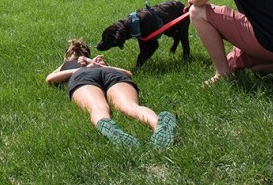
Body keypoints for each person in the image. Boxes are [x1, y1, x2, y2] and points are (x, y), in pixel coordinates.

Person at [45, 38, 176, 148]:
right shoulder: (98, 61)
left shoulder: (67, 64)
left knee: (98, 107)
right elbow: (128, 74)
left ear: (67, 56)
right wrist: (99, 66)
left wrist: (81, 69)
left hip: (82, 76)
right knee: (130, 106)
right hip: (110, 74)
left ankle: (107, 125)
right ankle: (158, 123)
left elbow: (50, 79)